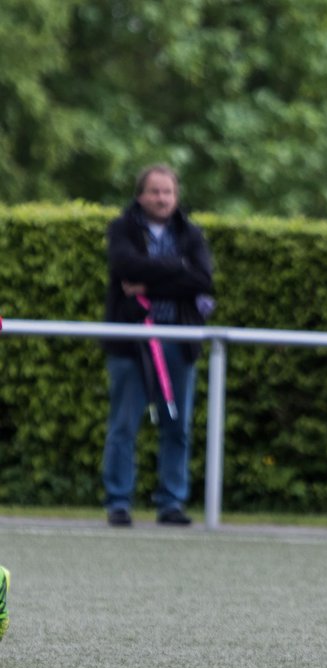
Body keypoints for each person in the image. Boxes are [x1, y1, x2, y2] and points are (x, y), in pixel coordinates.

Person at [103, 164, 215, 527]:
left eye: (167, 192)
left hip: (179, 341)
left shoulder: (190, 233)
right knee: (124, 423)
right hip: (132, 342)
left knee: (176, 426)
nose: (161, 198)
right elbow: (124, 266)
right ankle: (118, 501)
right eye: (154, 191)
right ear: (141, 195)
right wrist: (176, 270)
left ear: (176, 196)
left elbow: (201, 279)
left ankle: (172, 502)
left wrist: (149, 282)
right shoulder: (122, 229)